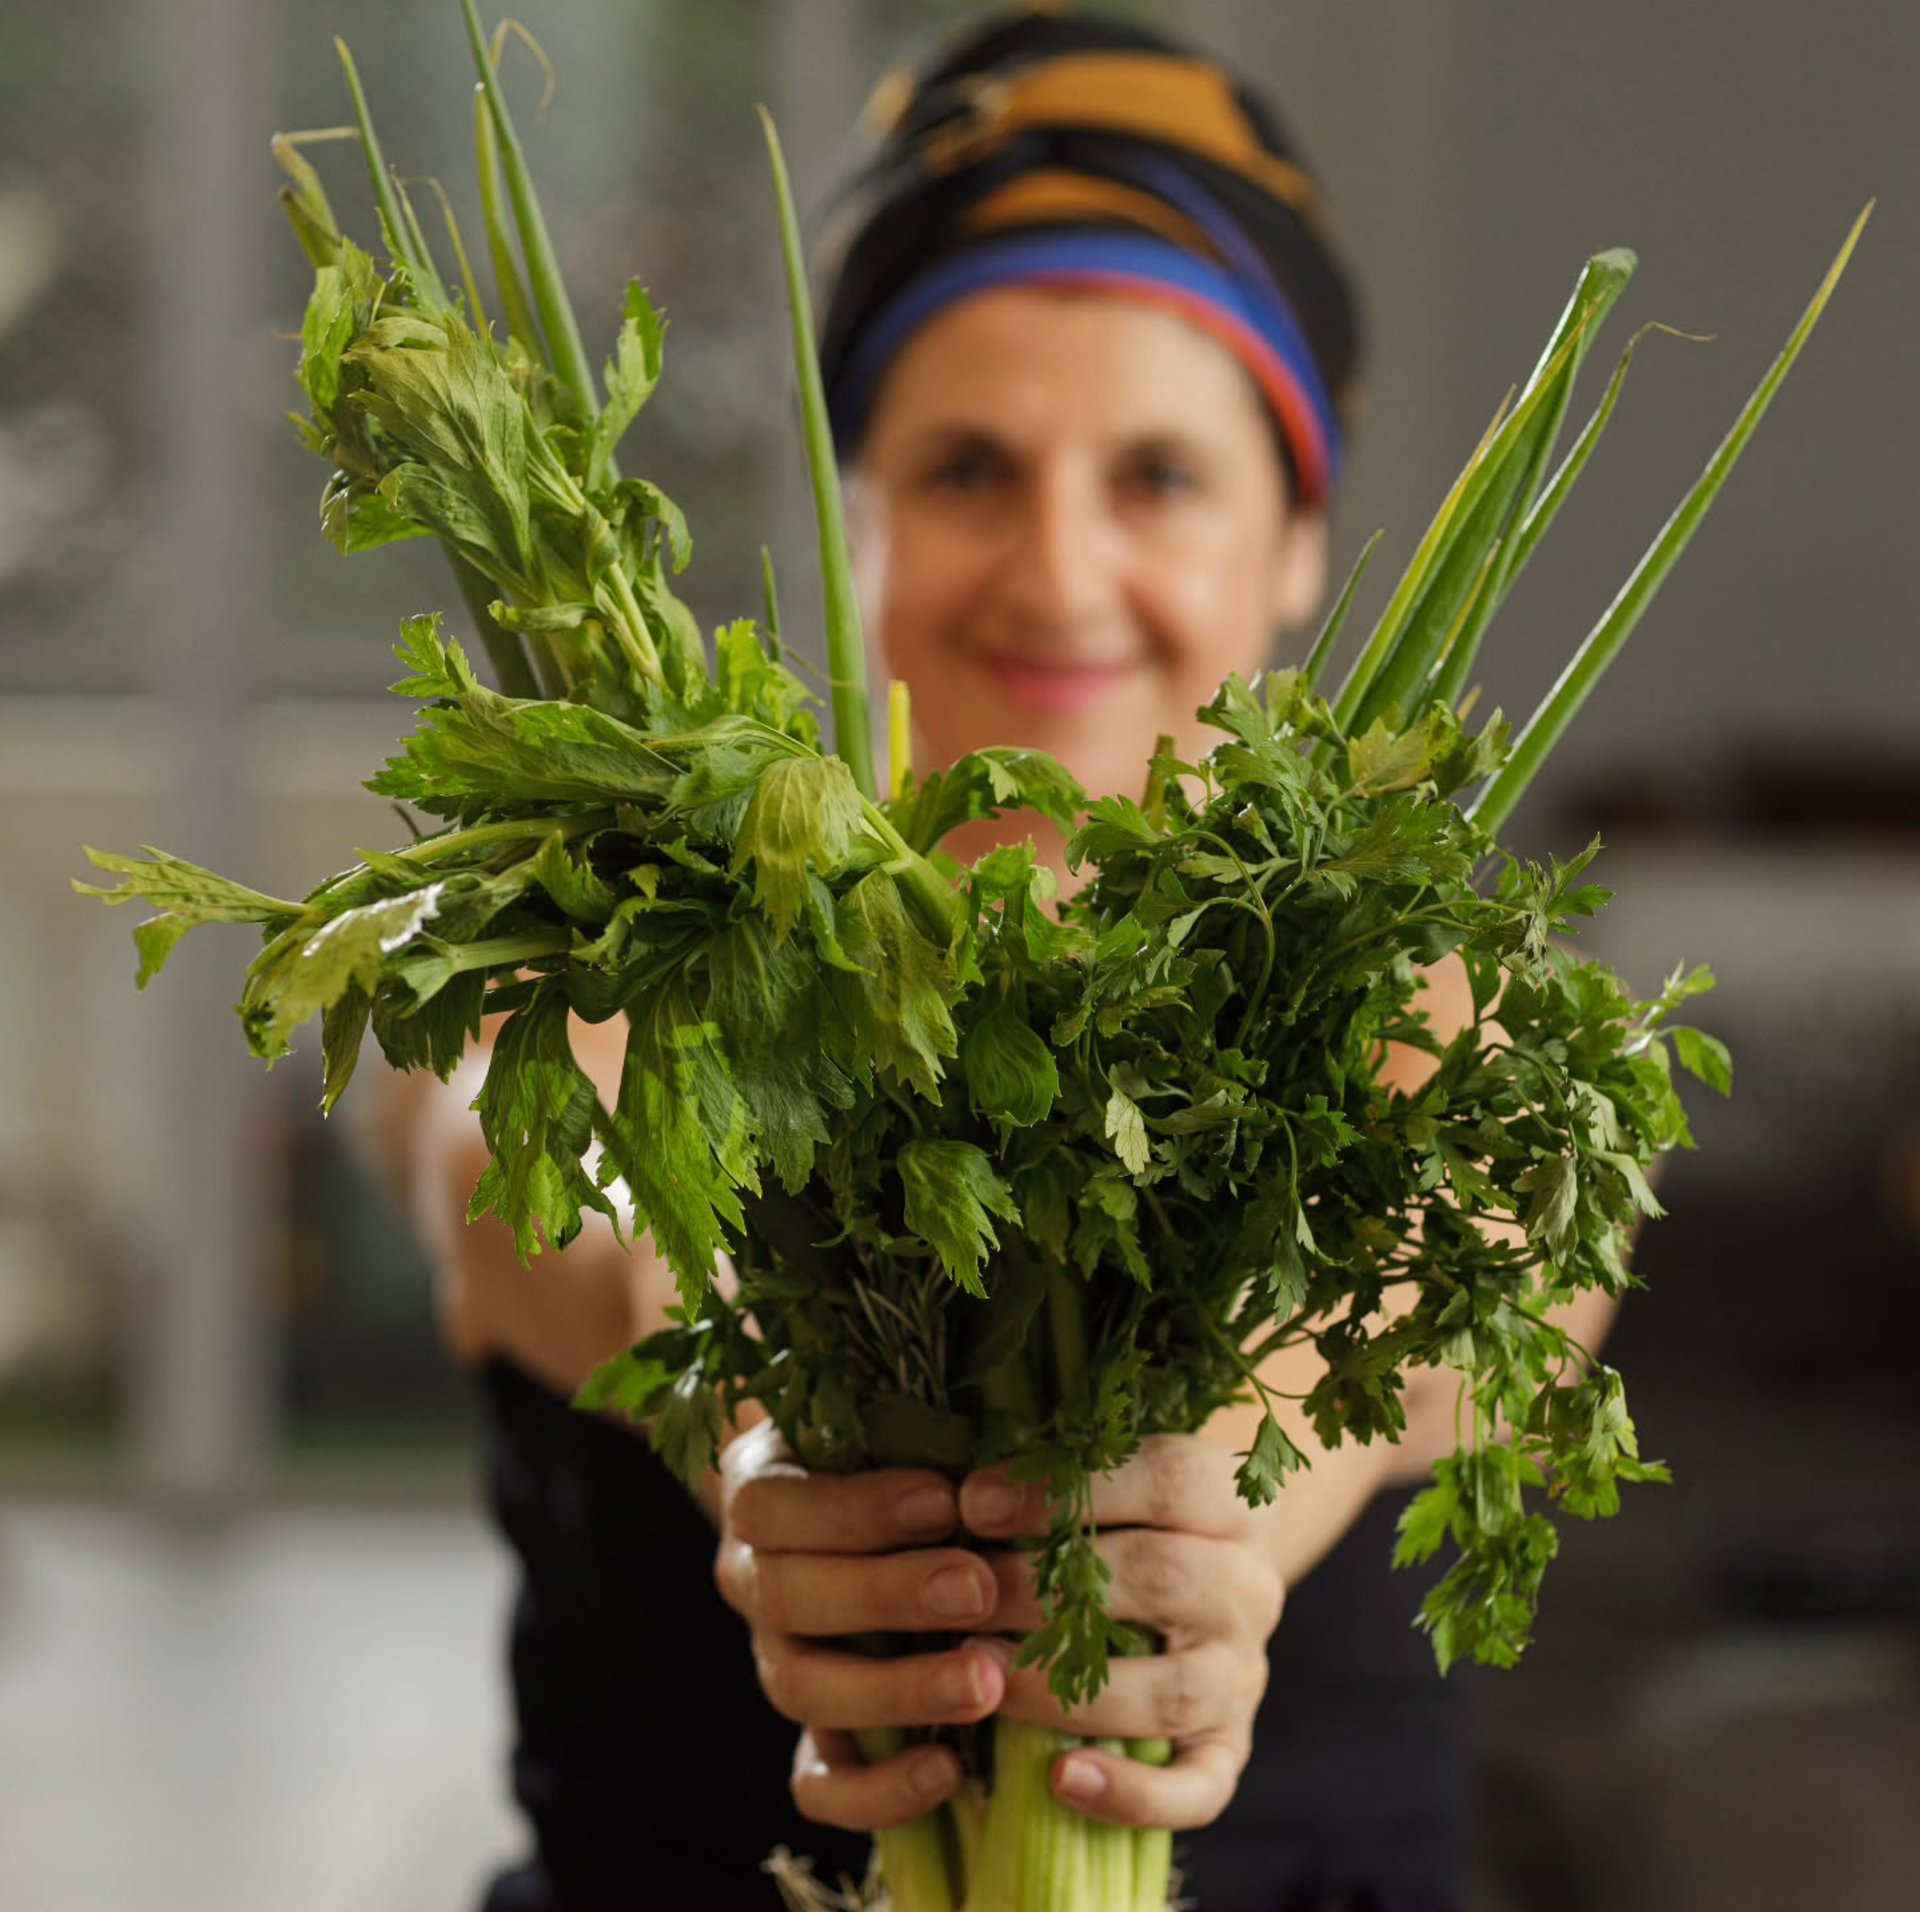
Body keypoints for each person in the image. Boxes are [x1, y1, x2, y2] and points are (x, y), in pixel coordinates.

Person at [399, 11, 1616, 1909]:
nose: (1057, 574)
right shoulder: (615, 961)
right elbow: (535, 1168)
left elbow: (1489, 1244)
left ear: (1301, 541)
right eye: (968, 469)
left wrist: (1218, 1507)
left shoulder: (1446, 1018)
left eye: (1158, 476)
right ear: (851, 516)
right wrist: (765, 1428)